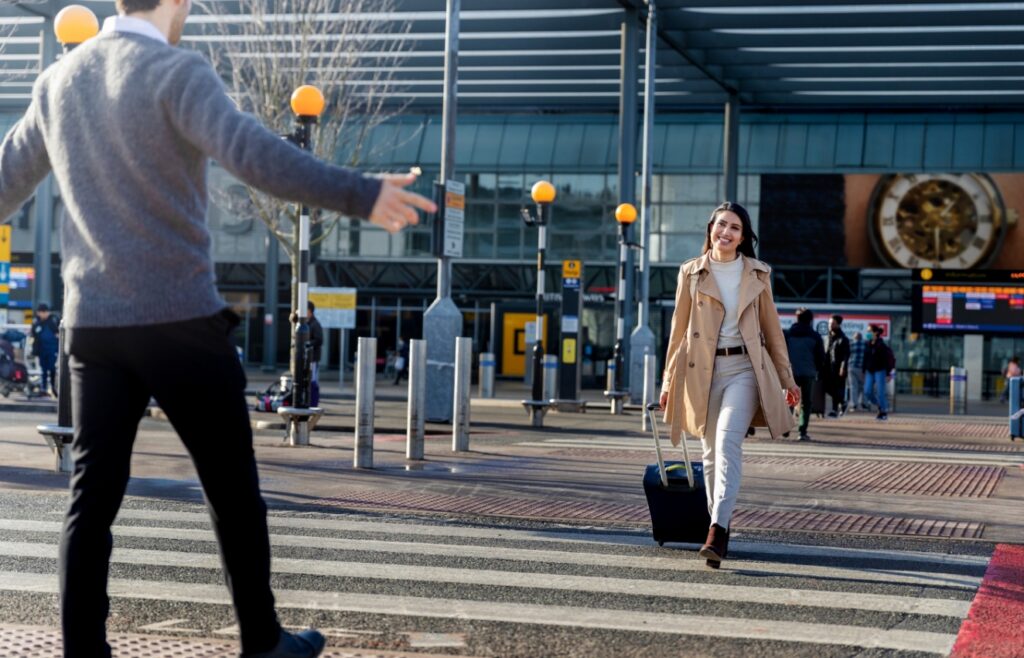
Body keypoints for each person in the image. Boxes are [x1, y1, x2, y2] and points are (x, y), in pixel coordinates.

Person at [0, 0, 436, 654]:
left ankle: (82, 650)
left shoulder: (59, 81)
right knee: (232, 489)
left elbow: (4, 181)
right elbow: (256, 156)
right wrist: (361, 193)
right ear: (174, 2)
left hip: (91, 326)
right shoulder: (177, 72)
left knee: (90, 500)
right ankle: (261, 640)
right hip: (178, 318)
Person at [659, 202, 798, 569]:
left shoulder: (757, 273)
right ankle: (717, 525)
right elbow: (678, 331)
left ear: (743, 236)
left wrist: (787, 378)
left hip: (744, 369)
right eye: (721, 225)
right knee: (708, 452)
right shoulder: (691, 272)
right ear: (710, 229)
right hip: (701, 370)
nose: (726, 232)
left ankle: (717, 530)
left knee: (726, 442)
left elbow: (772, 331)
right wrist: (668, 379)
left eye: (734, 227)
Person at [785, 308, 825, 441]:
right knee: (806, 403)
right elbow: (820, 357)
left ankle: (785, 426)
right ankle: (802, 432)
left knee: (789, 400)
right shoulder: (815, 336)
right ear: (810, 320)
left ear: (797, 319)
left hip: (791, 372)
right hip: (808, 373)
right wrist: (817, 370)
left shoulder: (789, 334)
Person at [863, 324, 895, 421]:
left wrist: (888, 373)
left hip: (880, 370)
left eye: (869, 331)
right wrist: (863, 370)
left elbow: (889, 360)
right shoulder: (867, 344)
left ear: (876, 333)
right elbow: (865, 358)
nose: (867, 333)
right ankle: (880, 404)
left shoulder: (882, 345)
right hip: (869, 371)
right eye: (867, 331)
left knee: (881, 392)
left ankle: (883, 412)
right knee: (867, 392)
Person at [31, 302, 60, 397]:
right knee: (43, 369)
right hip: (41, 349)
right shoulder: (37, 323)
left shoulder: (54, 320)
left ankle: (53, 387)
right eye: (41, 312)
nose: (43, 314)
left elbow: (58, 333)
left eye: (45, 312)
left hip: (52, 349)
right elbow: (33, 335)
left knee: (52, 368)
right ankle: (43, 388)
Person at [825, 314, 850, 418]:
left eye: (833, 323)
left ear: (838, 325)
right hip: (828, 368)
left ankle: (834, 410)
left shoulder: (843, 339)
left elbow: (846, 355)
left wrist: (843, 367)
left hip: (838, 368)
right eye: (829, 323)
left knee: (836, 389)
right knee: (827, 388)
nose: (830, 325)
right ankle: (843, 402)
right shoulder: (828, 337)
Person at [306, 301, 324, 407]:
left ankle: (313, 402)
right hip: (309, 358)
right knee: (310, 381)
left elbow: (319, 340)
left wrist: (308, 343)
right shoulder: (308, 323)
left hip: (313, 358)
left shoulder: (315, 324)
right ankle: (311, 401)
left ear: (310, 311)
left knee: (313, 382)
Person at [847, 331, 868, 411]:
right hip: (862, 369)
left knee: (853, 386)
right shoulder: (865, 344)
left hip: (852, 367)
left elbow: (847, 355)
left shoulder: (851, 344)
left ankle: (854, 404)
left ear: (854, 337)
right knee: (863, 387)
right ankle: (864, 404)